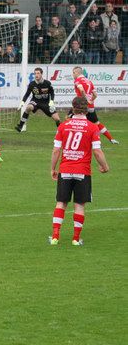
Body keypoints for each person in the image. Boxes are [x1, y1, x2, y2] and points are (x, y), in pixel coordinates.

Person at [49, 97, 109, 246]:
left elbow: (56, 150)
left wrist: (53, 168)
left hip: (65, 170)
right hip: (83, 171)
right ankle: (76, 239)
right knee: (79, 205)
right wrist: (105, 166)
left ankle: (55, 236)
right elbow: (97, 152)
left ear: (73, 108)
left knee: (61, 203)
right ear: (87, 109)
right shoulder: (92, 127)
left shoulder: (63, 126)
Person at [72, 66, 118, 144]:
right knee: (96, 123)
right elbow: (95, 94)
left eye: (73, 73)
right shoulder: (89, 81)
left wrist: (86, 100)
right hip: (91, 107)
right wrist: (90, 101)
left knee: (71, 120)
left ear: (76, 73)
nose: (72, 75)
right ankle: (111, 139)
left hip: (81, 106)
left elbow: (81, 90)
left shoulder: (77, 80)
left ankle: (71, 140)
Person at [16, 67, 60, 132]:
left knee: (57, 118)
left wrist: (51, 101)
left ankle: (60, 131)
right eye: (35, 73)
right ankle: (20, 126)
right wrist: (22, 102)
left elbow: (52, 93)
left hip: (45, 103)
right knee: (29, 107)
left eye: (38, 73)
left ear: (41, 74)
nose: (36, 75)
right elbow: (27, 94)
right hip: (35, 101)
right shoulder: (32, 84)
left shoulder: (47, 83)